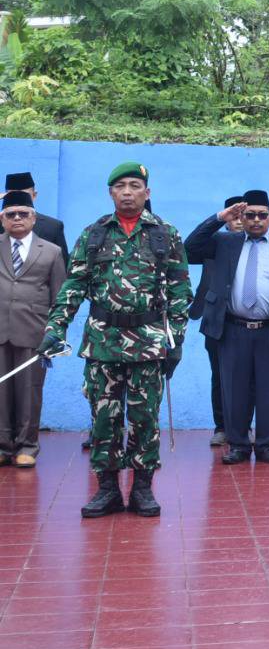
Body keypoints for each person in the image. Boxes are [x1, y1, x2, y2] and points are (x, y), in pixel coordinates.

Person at [40, 161, 191, 518]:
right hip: (103, 342)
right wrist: (55, 328)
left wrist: (176, 340)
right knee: (104, 419)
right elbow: (74, 285)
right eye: (120, 186)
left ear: (147, 193)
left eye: (135, 186)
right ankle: (107, 489)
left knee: (144, 418)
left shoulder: (165, 234)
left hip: (148, 342)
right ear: (110, 193)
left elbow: (180, 289)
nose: (127, 192)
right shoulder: (94, 234)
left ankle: (142, 489)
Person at [185, 190, 269, 464]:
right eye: (250, 215)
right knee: (233, 389)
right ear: (242, 217)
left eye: (262, 215)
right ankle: (238, 444)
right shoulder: (225, 243)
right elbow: (190, 248)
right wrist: (219, 218)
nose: (256, 220)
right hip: (232, 329)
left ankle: (265, 446)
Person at [0, 190, 65, 468]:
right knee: (1, 390)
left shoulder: (51, 251)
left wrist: (55, 331)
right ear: (2, 218)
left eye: (23, 213)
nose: (17, 218)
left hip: (34, 331)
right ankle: (3, 445)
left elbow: (59, 296)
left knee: (30, 391)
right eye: (10, 214)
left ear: (34, 218)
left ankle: (27, 445)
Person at [186, 195, 243, 448]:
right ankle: (221, 427)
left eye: (244, 216)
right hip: (216, 320)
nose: (239, 221)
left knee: (248, 378)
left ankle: (243, 427)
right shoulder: (215, 243)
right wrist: (217, 219)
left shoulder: (261, 247)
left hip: (250, 322)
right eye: (235, 216)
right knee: (219, 375)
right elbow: (189, 248)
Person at [4, 172, 67, 257]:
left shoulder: (52, 227)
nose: (19, 200)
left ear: (34, 195)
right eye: (14, 196)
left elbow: (62, 262)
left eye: (24, 196)